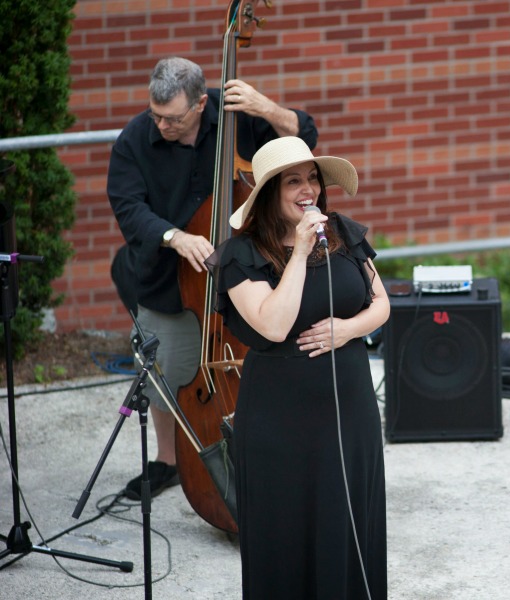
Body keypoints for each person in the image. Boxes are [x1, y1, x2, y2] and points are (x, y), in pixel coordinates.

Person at [108, 56, 318, 500]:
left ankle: (262, 457)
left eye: (173, 118)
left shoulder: (235, 115)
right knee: (166, 375)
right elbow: (128, 208)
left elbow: (305, 141)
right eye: (155, 115)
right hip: (172, 280)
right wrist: (173, 236)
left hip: (248, 272)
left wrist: (268, 109)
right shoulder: (133, 141)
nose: (162, 125)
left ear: (202, 103)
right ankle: (168, 462)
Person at [210, 136, 389, 598]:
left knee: (348, 528)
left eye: (312, 178)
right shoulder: (239, 255)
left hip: (351, 411)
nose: (307, 188)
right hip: (279, 421)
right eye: (294, 181)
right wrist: (300, 252)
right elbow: (273, 325)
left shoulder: (345, 233)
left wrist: (347, 330)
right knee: (285, 535)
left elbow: (382, 304)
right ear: (270, 192)